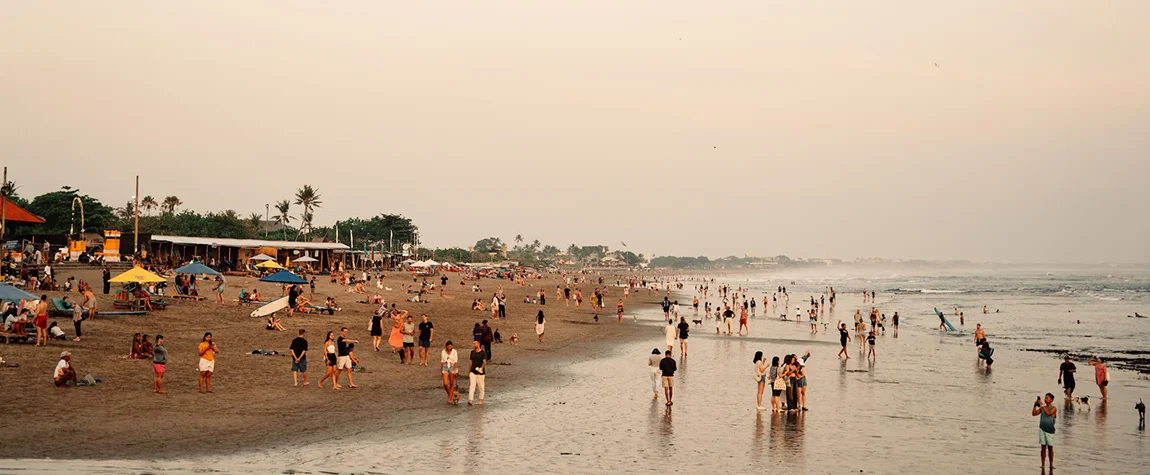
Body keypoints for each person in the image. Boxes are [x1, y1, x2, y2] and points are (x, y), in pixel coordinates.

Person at [1032, 393, 1057, 471]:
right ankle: (1043, 464)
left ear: (1051, 400)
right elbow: (1034, 414)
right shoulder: (1043, 408)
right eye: (1045, 398)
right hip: (1042, 429)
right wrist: (1035, 405)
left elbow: (1048, 413)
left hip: (1050, 431)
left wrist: (1042, 405)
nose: (1045, 399)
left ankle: (1051, 464)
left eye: (1047, 398)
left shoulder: (1054, 408)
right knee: (1043, 447)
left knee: (1050, 448)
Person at [468, 340, 487, 405]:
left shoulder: (483, 353)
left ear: (478, 344)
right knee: (472, 386)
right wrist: (469, 371)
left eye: (475, 343)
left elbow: (484, 361)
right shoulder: (472, 352)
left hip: (480, 373)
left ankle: (480, 399)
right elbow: (471, 361)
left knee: (481, 386)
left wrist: (481, 368)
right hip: (473, 372)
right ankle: (470, 400)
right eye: (473, 343)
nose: (474, 345)